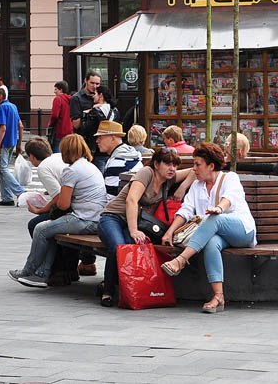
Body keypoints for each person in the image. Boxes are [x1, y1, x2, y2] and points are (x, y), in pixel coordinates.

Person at [160, 142, 256, 313]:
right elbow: (186, 210)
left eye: (198, 164)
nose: (194, 169)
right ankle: (218, 296)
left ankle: (181, 260)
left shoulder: (230, 178)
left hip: (242, 230)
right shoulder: (197, 186)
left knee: (214, 219)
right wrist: (169, 232)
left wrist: (219, 208)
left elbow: (229, 198)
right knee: (211, 242)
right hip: (217, 233)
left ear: (211, 166)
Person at [9, 134, 108, 288]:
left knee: (40, 229)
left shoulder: (72, 170)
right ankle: (43, 273)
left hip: (84, 219)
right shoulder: (89, 165)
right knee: (49, 230)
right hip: (96, 217)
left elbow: (63, 204)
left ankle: (29, 271)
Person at [97, 146, 182, 306]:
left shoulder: (168, 179)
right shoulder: (147, 173)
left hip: (134, 222)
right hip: (112, 217)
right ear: (156, 164)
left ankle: (121, 287)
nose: (172, 168)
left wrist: (182, 188)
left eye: (175, 165)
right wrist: (134, 230)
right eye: (168, 164)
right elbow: (131, 200)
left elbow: (192, 172)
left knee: (131, 246)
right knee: (118, 247)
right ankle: (107, 291)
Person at [0, 85, 25, 206]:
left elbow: (3, 128)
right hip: (12, 141)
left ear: (1, 96)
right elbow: (20, 126)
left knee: (3, 169)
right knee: (1, 169)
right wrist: (19, 144)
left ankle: (20, 191)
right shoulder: (13, 106)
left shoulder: (2, 107)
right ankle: (7, 197)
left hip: (5, 142)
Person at [94, 120, 141, 196]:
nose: (97, 141)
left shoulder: (118, 161)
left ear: (113, 138)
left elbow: (110, 196)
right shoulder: (128, 154)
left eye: (100, 137)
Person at [70, 70, 102, 153]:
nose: (95, 86)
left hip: (100, 144)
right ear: (86, 81)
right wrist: (93, 109)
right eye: (92, 83)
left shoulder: (101, 97)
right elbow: (76, 124)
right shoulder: (77, 98)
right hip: (84, 143)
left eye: (97, 84)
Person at [47, 81, 73, 152]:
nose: (54, 91)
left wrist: (50, 124)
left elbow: (55, 115)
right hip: (70, 130)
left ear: (60, 90)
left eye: (56, 89)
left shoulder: (58, 99)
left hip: (59, 129)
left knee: (57, 153)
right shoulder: (71, 99)